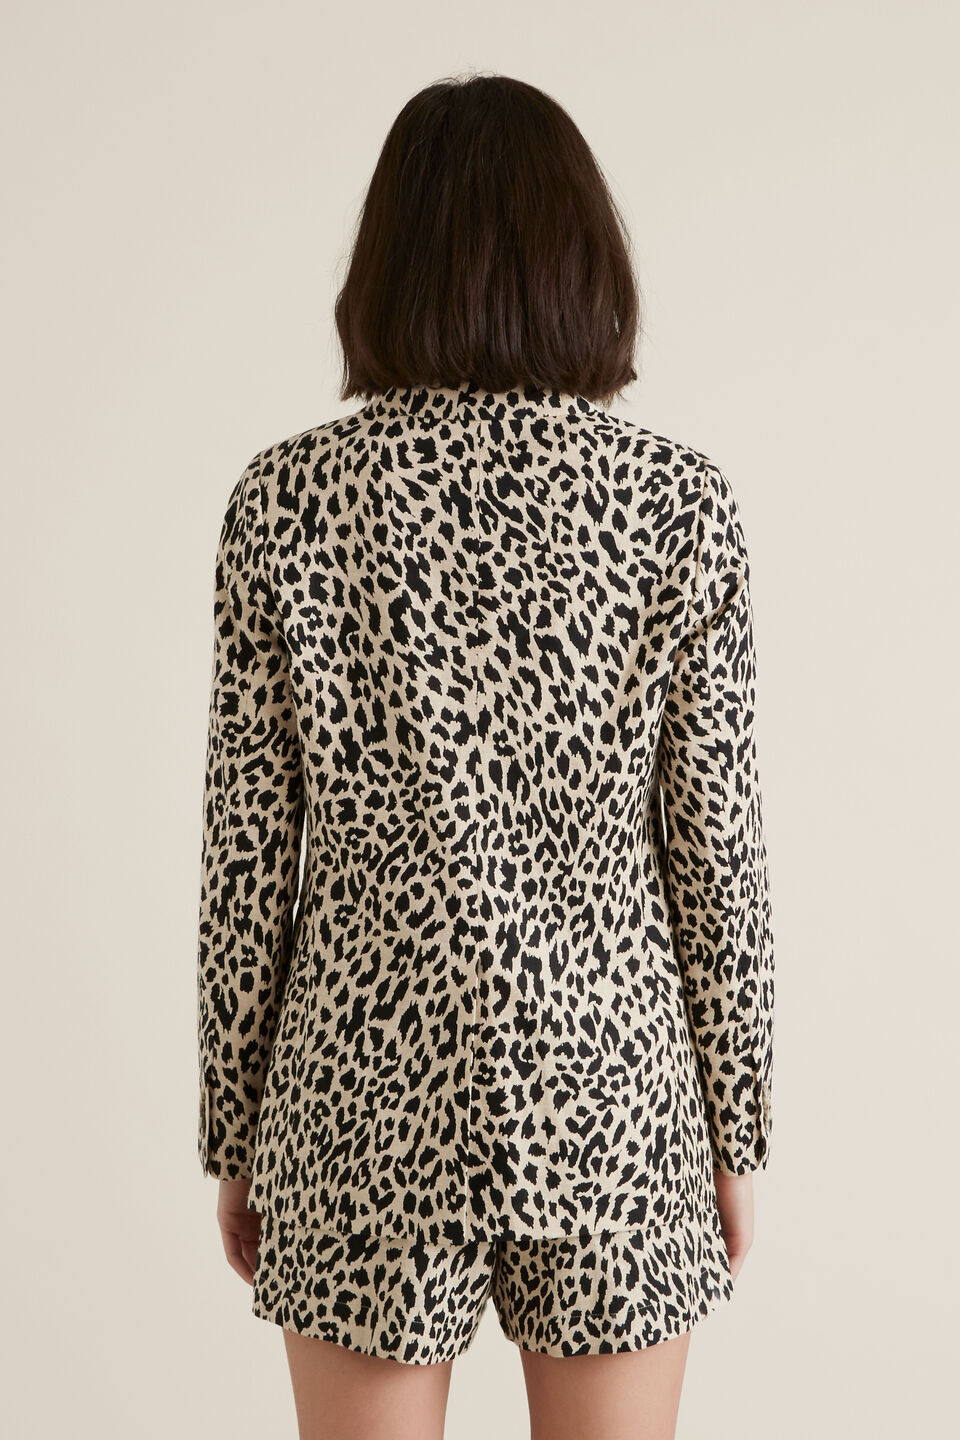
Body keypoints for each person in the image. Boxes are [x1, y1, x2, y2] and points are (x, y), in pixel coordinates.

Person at [195, 71, 775, 1440]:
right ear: (588, 261)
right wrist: (736, 1127)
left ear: (384, 268)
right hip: (610, 1084)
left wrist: (234, 1127)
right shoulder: (679, 506)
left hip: (356, 1092)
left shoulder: (284, 502)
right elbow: (717, 851)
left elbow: (246, 858)